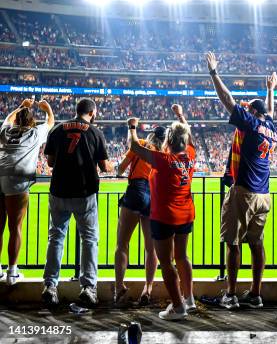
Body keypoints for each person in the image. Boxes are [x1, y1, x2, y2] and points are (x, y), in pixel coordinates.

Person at [206, 52, 277, 310]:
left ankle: (231, 294)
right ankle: (256, 293)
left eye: (248, 108)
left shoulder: (249, 122)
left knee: (233, 243)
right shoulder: (271, 126)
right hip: (264, 195)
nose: (244, 109)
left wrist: (214, 73)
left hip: (244, 191)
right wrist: (270, 90)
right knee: (256, 243)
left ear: (252, 112)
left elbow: (228, 100)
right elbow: (268, 110)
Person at [126, 104, 197, 321]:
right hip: (186, 214)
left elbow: (136, 148)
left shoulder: (165, 160)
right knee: (182, 256)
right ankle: (189, 300)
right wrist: (180, 115)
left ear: (168, 142)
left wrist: (132, 127)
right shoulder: (191, 155)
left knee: (166, 262)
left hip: (165, 216)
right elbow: (189, 135)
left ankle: (178, 307)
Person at [42, 98, 113, 306]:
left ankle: (50, 286)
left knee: (55, 238)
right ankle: (88, 288)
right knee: (89, 239)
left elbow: (50, 162)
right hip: (84, 193)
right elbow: (105, 166)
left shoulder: (57, 129)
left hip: (59, 192)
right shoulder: (95, 132)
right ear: (91, 112)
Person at [0, 98, 54, 285]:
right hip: (17, 181)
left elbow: (7, 119)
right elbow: (50, 123)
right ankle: (12, 272)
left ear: (17, 120)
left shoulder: (6, 131)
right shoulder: (34, 133)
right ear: (32, 122)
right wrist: (47, 109)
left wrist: (21, 106)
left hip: (0, 176)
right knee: (15, 228)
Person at [113, 124, 167, 306]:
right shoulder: (164, 154)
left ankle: (119, 288)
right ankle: (148, 288)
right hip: (154, 197)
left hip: (136, 190)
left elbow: (120, 169)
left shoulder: (141, 144)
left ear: (151, 135)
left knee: (122, 244)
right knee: (151, 248)